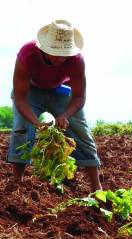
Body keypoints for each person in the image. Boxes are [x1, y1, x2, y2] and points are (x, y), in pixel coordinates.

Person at [6, 20, 102, 191]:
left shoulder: (76, 60)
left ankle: (96, 186)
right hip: (31, 90)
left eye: (65, 54)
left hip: (60, 91)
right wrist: (36, 123)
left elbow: (79, 96)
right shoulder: (27, 55)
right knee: (21, 128)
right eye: (57, 53)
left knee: (80, 129)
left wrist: (65, 115)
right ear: (44, 48)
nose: (61, 58)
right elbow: (20, 98)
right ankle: (16, 183)